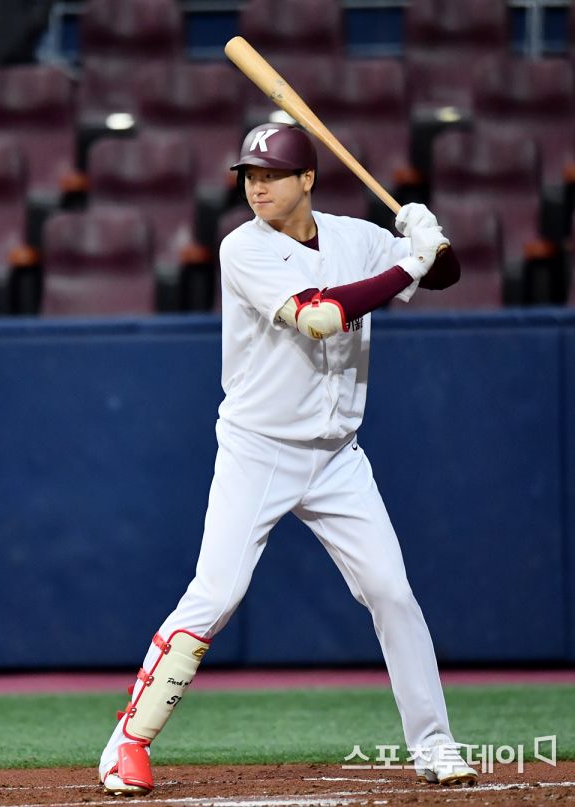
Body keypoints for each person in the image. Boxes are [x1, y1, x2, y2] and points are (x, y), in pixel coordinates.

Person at [99, 123, 477, 795]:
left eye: (271, 174)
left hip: (338, 456)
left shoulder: (357, 238)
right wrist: (409, 265)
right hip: (260, 449)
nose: (257, 187)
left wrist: (430, 239)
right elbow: (319, 316)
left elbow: (443, 274)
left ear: (307, 179)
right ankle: (127, 741)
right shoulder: (242, 246)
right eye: (250, 175)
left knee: (392, 591)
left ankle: (435, 743)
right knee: (217, 594)